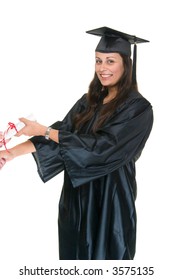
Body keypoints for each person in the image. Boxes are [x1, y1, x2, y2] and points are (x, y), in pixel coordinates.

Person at [0, 27, 153, 260]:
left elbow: (101, 148)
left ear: (126, 65)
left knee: (105, 257)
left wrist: (45, 130)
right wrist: (9, 153)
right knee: (74, 257)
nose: (102, 68)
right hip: (77, 193)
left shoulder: (138, 108)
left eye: (110, 61)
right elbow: (62, 135)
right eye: (98, 61)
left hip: (110, 197)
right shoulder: (90, 100)